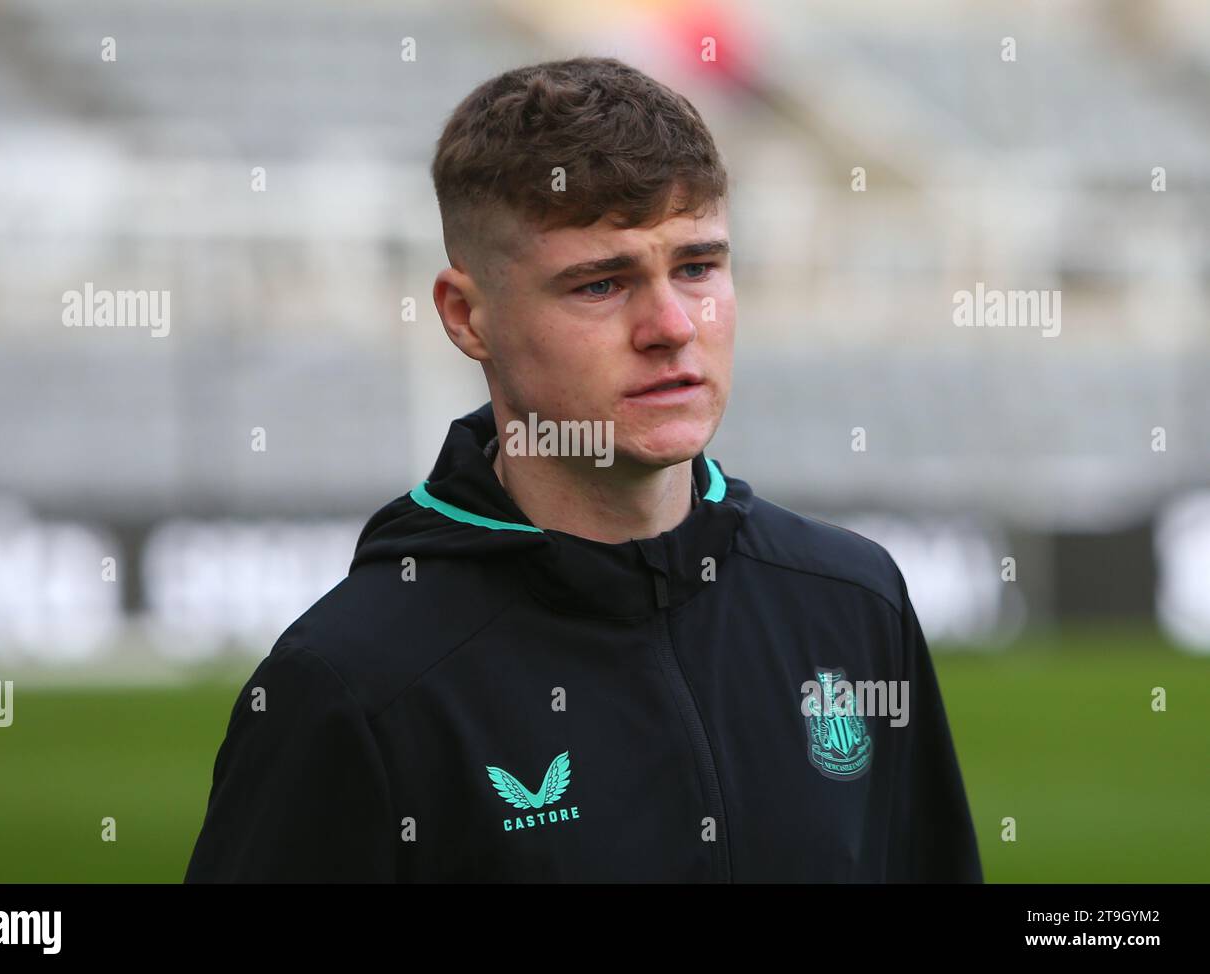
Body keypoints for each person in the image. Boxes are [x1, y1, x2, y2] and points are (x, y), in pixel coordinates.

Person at [184, 56, 982, 883]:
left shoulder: (851, 603)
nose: (672, 325)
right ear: (468, 316)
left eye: (698, 266)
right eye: (602, 284)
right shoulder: (351, 683)